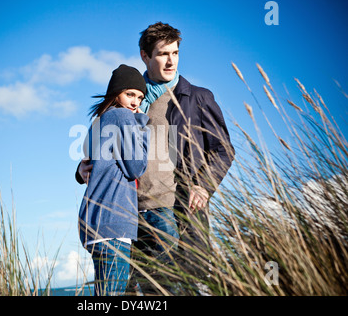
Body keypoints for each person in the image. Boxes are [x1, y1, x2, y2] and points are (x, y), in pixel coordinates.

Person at [76, 22, 235, 295]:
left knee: (169, 289)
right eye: (163, 54)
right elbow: (103, 146)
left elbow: (223, 150)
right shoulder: (130, 94)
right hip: (123, 216)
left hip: (169, 212)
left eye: (175, 53)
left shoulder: (197, 98)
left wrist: (203, 185)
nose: (170, 60)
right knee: (126, 294)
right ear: (145, 56)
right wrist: (81, 168)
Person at [77, 64, 151, 296]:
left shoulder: (98, 121)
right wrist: (142, 126)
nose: (135, 102)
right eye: (130, 94)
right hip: (113, 223)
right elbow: (136, 167)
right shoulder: (121, 115)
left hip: (95, 223)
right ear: (116, 93)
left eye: (140, 97)